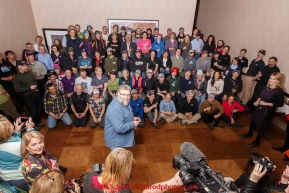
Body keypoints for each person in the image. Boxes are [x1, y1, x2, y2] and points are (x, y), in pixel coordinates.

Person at [241, 72, 284, 147]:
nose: (271, 80)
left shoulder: (279, 91)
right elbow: (260, 96)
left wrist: (266, 104)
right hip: (259, 108)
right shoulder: (266, 86)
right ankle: (249, 133)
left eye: (273, 79)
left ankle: (256, 141)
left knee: (262, 127)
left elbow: (280, 104)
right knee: (253, 121)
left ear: (278, 81)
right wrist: (257, 101)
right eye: (270, 78)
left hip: (267, 112)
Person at [0, 116, 35, 192]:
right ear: (8, 130)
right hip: (20, 177)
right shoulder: (18, 145)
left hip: (6, 178)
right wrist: (30, 130)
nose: (12, 124)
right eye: (10, 124)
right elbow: (33, 149)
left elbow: (11, 141)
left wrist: (16, 132)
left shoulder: (6, 142)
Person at [105, 85, 140, 150]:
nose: (126, 97)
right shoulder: (115, 109)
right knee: (119, 160)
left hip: (122, 140)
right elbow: (119, 128)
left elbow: (125, 114)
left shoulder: (124, 101)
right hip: (116, 143)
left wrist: (132, 119)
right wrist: (133, 124)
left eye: (128, 95)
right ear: (118, 93)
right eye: (123, 94)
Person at [13, 60, 44, 130]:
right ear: (19, 67)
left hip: (36, 94)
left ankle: (38, 121)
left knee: (39, 109)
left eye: (26, 65)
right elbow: (17, 89)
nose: (26, 67)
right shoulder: (17, 78)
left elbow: (35, 81)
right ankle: (33, 125)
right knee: (33, 111)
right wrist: (29, 88)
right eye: (24, 66)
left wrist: (36, 86)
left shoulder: (30, 73)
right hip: (28, 96)